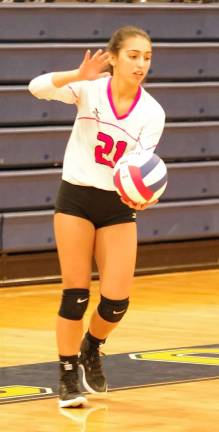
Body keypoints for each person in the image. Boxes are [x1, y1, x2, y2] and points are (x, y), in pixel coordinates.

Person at [28, 25, 165, 408]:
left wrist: (144, 196)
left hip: (117, 204)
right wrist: (77, 75)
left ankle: (93, 347)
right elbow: (35, 87)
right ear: (116, 57)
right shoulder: (89, 89)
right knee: (75, 293)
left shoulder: (153, 112)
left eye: (147, 57)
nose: (141, 64)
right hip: (76, 198)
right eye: (134, 55)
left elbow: (143, 167)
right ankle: (68, 372)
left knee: (116, 301)